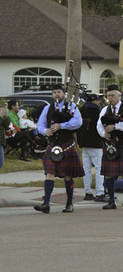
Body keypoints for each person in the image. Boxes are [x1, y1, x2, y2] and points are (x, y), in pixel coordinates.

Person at [34, 84, 84, 214]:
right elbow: (40, 124)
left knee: (67, 175)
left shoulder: (71, 107)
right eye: (54, 92)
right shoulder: (47, 108)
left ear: (64, 94)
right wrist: (45, 131)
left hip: (67, 145)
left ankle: (69, 203)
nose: (57, 94)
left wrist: (61, 126)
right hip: (53, 145)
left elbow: (78, 122)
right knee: (49, 174)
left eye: (59, 92)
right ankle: (46, 204)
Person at [97, 84, 123, 210]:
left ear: (119, 96)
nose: (110, 98)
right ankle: (111, 201)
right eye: (108, 96)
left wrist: (115, 127)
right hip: (110, 145)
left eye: (112, 95)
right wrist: (105, 134)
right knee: (108, 174)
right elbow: (99, 125)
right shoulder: (105, 110)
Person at [77, 93, 106, 202]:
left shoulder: (81, 111)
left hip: (84, 143)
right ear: (94, 101)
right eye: (98, 100)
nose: (99, 102)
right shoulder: (98, 112)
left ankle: (88, 192)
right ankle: (99, 192)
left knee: (86, 169)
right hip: (96, 143)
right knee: (99, 169)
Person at [0, 105, 11, 170]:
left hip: (1, 142)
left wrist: (6, 115)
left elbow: (6, 125)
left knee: (1, 162)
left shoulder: (2, 119)